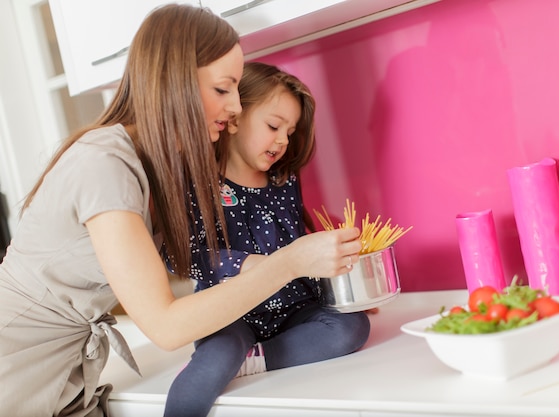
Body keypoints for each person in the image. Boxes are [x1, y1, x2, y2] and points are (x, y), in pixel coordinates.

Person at [0, 5, 362, 417]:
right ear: (175, 82)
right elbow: (167, 325)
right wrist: (289, 262)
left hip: (71, 380)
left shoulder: (160, 169)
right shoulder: (103, 163)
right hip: (15, 373)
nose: (236, 109)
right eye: (224, 89)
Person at [163, 62, 371, 417]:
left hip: (293, 308)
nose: (283, 140)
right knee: (216, 357)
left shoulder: (284, 180)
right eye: (274, 126)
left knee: (352, 327)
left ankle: (255, 360)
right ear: (234, 117)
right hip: (231, 312)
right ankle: (234, 359)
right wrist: (243, 263)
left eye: (289, 131)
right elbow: (181, 254)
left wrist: (339, 289)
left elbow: (297, 242)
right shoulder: (200, 184)